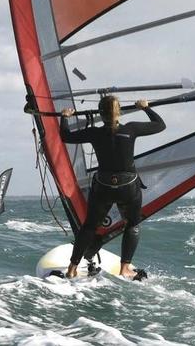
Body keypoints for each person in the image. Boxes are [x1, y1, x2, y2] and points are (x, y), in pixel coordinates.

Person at [59, 95, 165, 279]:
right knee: (132, 225)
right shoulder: (132, 128)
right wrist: (145, 107)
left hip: (103, 187)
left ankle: (72, 268)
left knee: (89, 227)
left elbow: (65, 136)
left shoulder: (94, 133)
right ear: (120, 112)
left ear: (100, 113)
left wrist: (65, 117)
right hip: (128, 187)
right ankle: (125, 268)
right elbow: (160, 125)